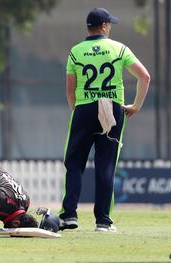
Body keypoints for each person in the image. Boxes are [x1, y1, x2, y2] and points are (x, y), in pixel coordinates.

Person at [60, 8, 150, 232]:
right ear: (104, 26)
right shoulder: (119, 49)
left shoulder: (76, 51)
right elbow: (144, 76)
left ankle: (69, 215)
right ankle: (103, 221)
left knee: (74, 164)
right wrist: (136, 106)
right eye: (109, 24)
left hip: (83, 109)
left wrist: (80, 111)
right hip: (112, 109)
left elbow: (70, 91)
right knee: (106, 165)